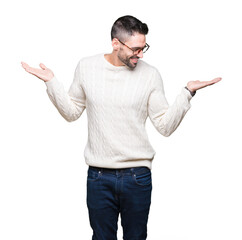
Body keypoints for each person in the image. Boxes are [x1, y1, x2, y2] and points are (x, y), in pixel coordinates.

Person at [21, 15, 221, 240]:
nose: (141, 54)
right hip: (98, 176)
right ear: (116, 43)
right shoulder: (87, 67)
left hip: (137, 176)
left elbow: (165, 126)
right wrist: (51, 82)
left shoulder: (150, 75)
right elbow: (71, 112)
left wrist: (187, 93)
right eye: (135, 49)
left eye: (143, 47)